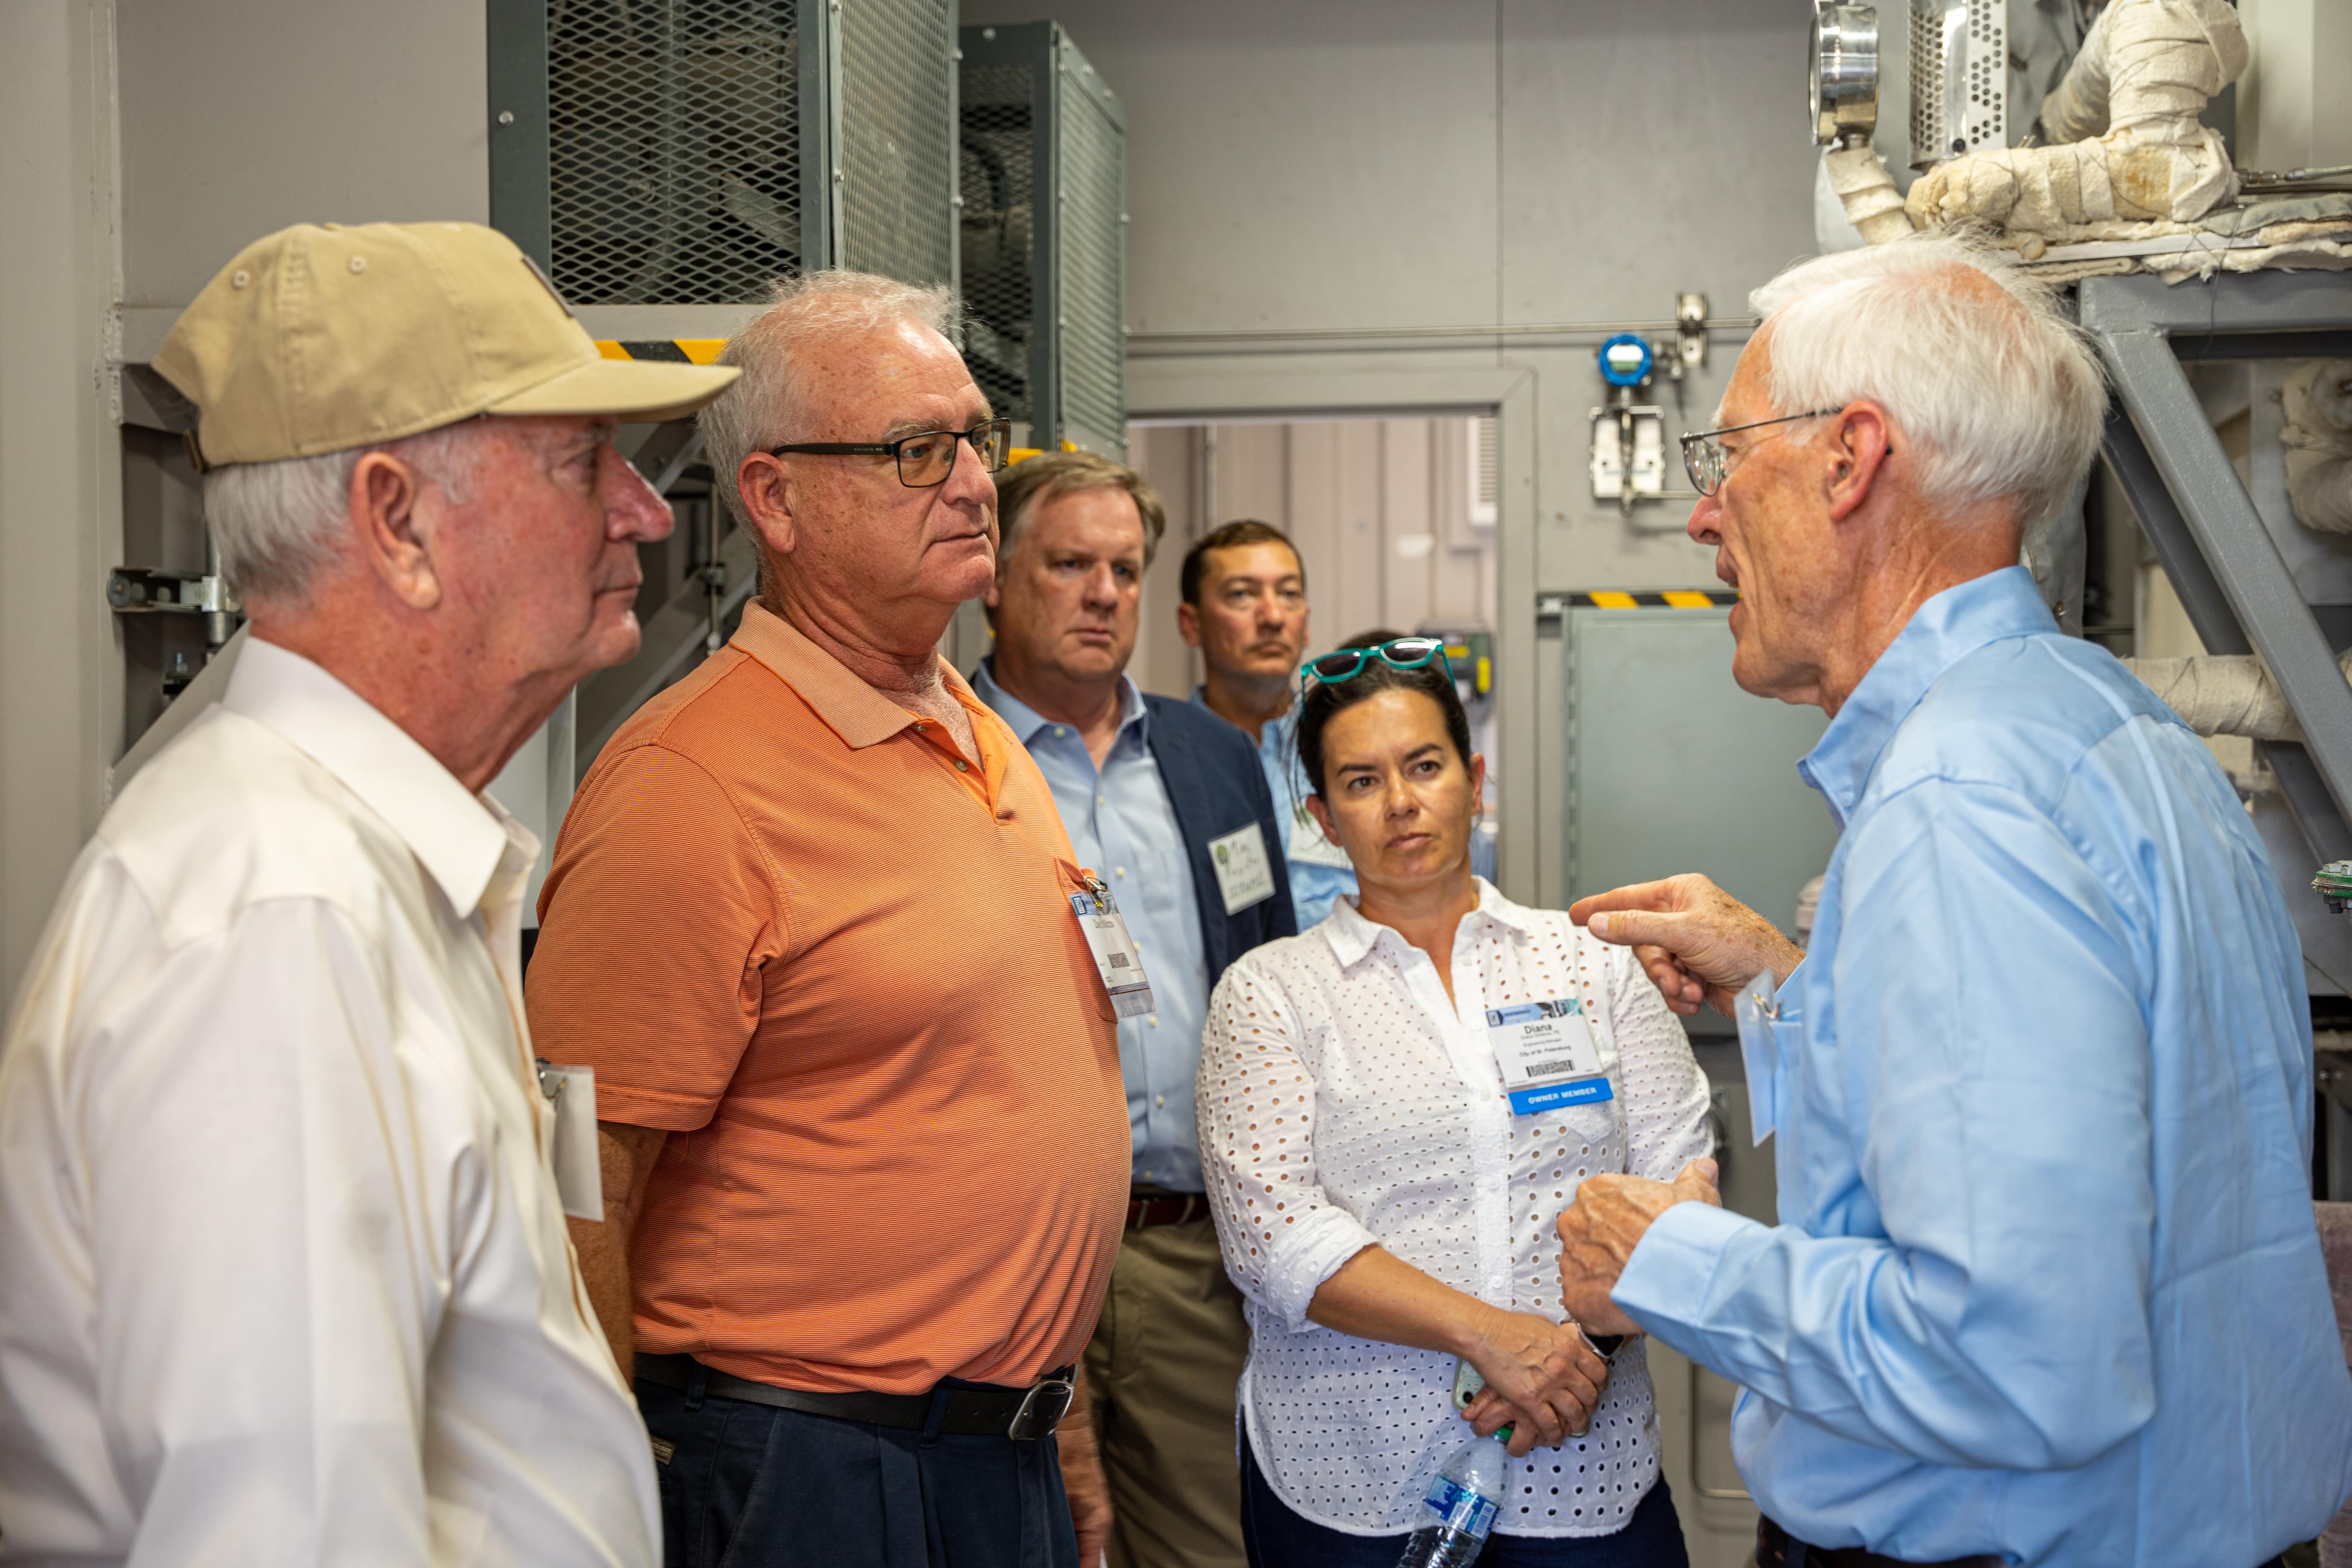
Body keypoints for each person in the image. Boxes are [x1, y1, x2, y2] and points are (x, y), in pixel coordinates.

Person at [1553, 233, 2352, 1568]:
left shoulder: (1955, 801)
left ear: (1850, 457)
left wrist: (1670, 1257)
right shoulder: (2101, 730)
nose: (1703, 516)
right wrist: (1789, 977)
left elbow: (2018, 1362)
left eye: (1726, 457)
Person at [0, 220, 737, 1563]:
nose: (641, 507)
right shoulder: (279, 916)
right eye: (583, 462)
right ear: (396, 523)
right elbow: (284, 1531)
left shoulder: (359, 861)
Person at [525, 271, 1131, 1568]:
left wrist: (1055, 1419)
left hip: (997, 1445)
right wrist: (610, 1496)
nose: (975, 480)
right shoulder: (688, 788)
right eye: (919, 450)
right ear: (776, 500)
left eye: (977, 437)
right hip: (804, 1469)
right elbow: (577, 1185)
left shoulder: (971, 727)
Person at [1195, 638, 1713, 1568]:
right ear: (1319, 816)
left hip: (1582, 1467)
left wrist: (1569, 1357)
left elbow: (1682, 1183)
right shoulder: (1271, 992)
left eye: (1424, 766)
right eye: (1360, 781)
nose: (1400, 802)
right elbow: (1274, 1238)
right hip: (1350, 1476)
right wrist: (1496, 1338)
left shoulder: (1590, 962)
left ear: (1473, 780)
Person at [973, 449, 1297, 1568]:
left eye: (1122, 567)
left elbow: (1266, 975)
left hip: (1180, 1249)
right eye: (1069, 563)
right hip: (999, 1243)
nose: (1102, 592)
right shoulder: (943, 749)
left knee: (1208, 1546)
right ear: (994, 576)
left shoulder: (1212, 756)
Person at [1180, 521, 1359, 927]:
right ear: (1190, 624)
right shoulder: (1163, 759)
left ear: (1306, 622)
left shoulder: (1346, 752)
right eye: (1242, 594)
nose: (1273, 616)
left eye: (1289, 594)